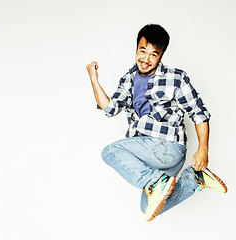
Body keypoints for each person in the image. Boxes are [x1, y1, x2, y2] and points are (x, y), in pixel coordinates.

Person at [86, 24, 227, 221]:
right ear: (136, 49)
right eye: (142, 51)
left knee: (110, 151)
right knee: (148, 208)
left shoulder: (176, 78)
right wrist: (94, 80)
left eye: (153, 54)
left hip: (168, 146)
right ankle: (194, 178)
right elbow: (110, 109)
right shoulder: (128, 79)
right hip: (150, 154)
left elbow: (199, 113)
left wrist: (203, 148)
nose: (146, 59)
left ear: (161, 56)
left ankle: (156, 180)